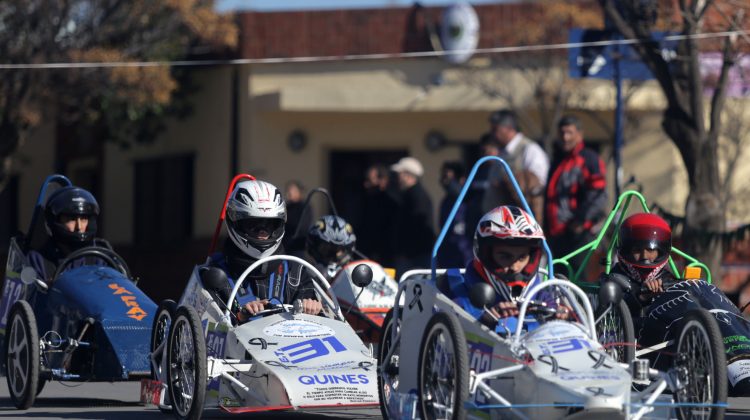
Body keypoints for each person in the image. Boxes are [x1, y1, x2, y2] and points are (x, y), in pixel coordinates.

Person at [206, 179, 322, 321]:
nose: (262, 232)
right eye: (253, 224)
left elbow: (319, 326)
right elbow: (207, 327)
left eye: (269, 224)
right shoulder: (214, 273)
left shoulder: (295, 271)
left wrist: (313, 308)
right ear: (235, 222)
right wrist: (240, 316)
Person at [444, 205, 569, 329]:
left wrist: (562, 314)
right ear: (485, 255)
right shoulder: (461, 294)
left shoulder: (538, 294)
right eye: (505, 257)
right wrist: (486, 321)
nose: (515, 267)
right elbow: (457, 335)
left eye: (521, 258)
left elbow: (560, 312)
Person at [545, 115, 607, 265]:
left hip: (580, 234)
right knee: (559, 280)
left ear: (579, 134)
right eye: (562, 133)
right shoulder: (559, 160)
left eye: (570, 133)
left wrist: (580, 221)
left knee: (579, 281)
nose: (565, 137)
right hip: (557, 235)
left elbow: (598, 194)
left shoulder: (588, 158)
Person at [599, 213, 676, 316]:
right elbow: (609, 315)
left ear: (660, 251)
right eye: (637, 250)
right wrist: (641, 298)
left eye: (650, 250)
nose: (644, 256)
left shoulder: (669, 279)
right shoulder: (612, 280)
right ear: (627, 251)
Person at [483, 109, 549, 223]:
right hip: (498, 224)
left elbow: (536, 187)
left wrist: (508, 183)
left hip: (519, 225)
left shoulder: (529, 149)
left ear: (509, 128)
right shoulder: (503, 153)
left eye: (495, 129)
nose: (492, 134)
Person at [28, 186, 103, 281]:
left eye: (84, 219)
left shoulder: (100, 257)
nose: (79, 227)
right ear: (55, 221)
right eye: (72, 219)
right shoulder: (38, 260)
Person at [390, 157, 435, 277]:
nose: (398, 178)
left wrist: (406, 252)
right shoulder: (409, 195)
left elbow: (418, 228)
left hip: (415, 259)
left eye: (400, 174)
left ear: (408, 175)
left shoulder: (417, 197)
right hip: (412, 257)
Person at [359, 164, 398, 267]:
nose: (366, 184)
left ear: (383, 180)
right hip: (367, 254)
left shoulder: (391, 202)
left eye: (370, 180)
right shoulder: (367, 200)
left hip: (385, 255)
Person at [437, 160, 473, 268]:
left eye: (449, 178)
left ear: (462, 180)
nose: (445, 181)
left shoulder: (468, 201)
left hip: (465, 256)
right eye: (443, 176)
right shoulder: (446, 201)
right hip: (447, 256)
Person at [306, 215, 356, 279]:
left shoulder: (354, 278)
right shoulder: (300, 275)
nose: (333, 258)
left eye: (339, 250)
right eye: (327, 249)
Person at [281, 180, 312, 254]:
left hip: (298, 246)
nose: (290, 193)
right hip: (285, 245)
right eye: (288, 190)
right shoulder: (286, 206)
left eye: (292, 190)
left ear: (299, 192)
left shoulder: (304, 206)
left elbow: (302, 226)